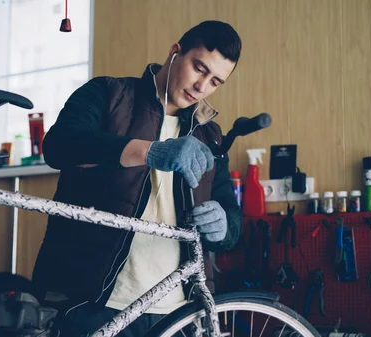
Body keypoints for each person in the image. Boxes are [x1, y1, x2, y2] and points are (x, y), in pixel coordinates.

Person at [32, 20, 243, 337]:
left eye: (215, 82)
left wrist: (224, 224)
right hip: (94, 301)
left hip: (177, 309)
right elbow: (60, 146)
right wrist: (149, 151)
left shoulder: (210, 135)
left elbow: (231, 215)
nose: (202, 87)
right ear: (175, 53)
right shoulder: (109, 94)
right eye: (199, 68)